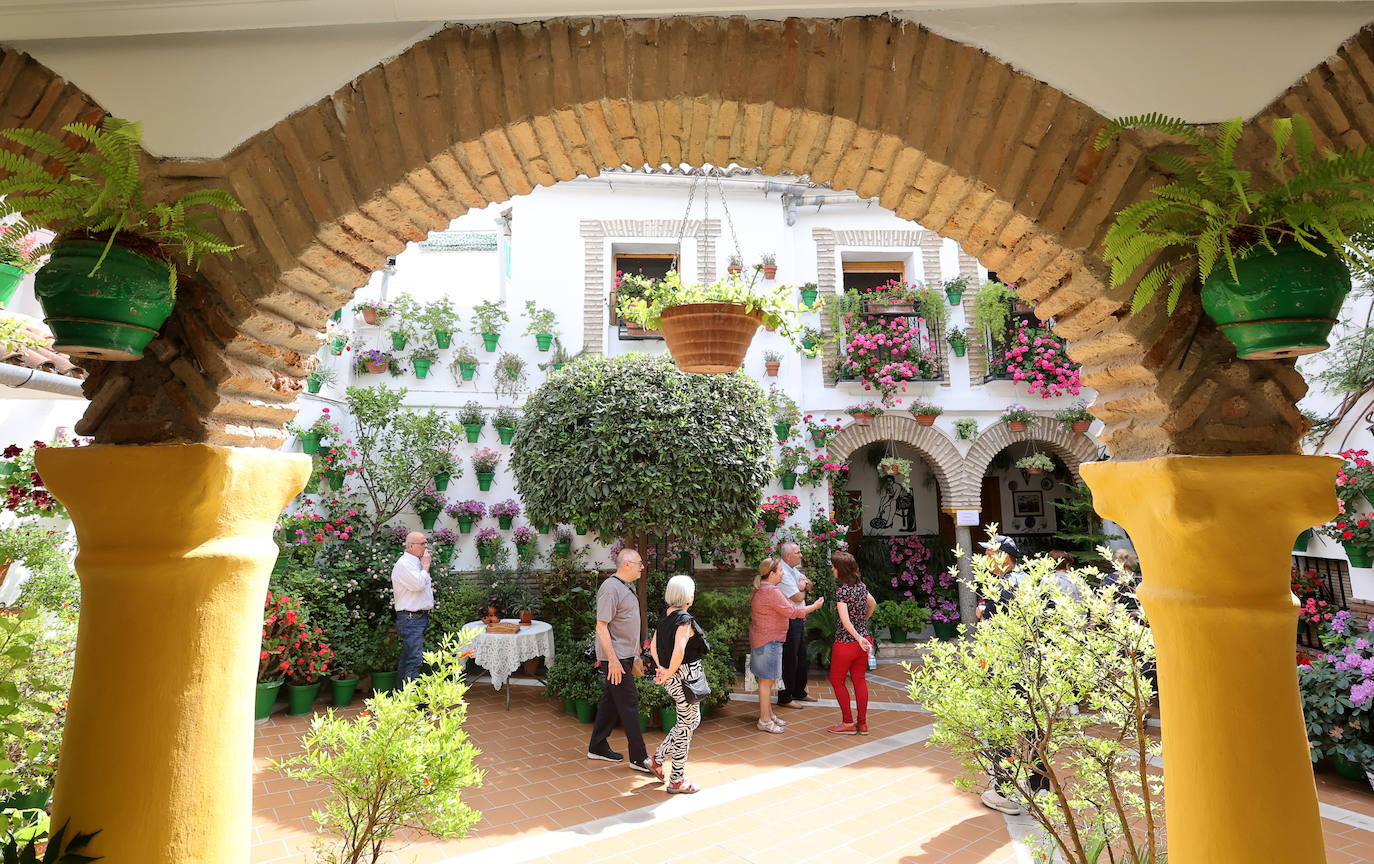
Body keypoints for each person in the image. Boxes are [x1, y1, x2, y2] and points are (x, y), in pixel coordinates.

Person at [973, 535, 1051, 817]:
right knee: (1033, 728)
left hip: (1006, 669)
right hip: (1031, 667)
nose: (985, 558)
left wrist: (983, 614)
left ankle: (1004, 791)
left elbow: (992, 627)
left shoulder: (1002, 587)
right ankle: (1040, 788)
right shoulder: (1031, 582)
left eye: (989, 553)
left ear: (1004, 557)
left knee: (1001, 729)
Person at [587, 548, 653, 773]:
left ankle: (597, 745)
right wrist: (613, 661)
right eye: (639, 563)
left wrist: (635, 655)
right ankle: (638, 757)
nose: (642, 567)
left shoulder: (626, 586)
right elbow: (601, 626)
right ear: (626, 564)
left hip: (625, 656)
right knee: (629, 702)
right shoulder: (610, 589)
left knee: (611, 700)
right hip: (614, 659)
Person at [751, 556, 824, 733]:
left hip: (765, 639)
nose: (783, 573)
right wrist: (814, 606)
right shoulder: (772, 591)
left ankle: (768, 715)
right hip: (768, 641)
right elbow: (792, 611)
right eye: (781, 570)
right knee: (766, 682)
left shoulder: (763, 588)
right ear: (773, 573)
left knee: (767, 680)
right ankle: (765, 720)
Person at [650, 574, 709, 794]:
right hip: (686, 678)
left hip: (673, 676)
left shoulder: (664, 617)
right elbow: (679, 650)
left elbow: (653, 647)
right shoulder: (684, 620)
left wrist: (662, 669)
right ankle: (677, 780)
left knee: (690, 721)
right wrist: (668, 672)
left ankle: (656, 759)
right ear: (687, 596)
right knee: (686, 726)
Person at [828, 551, 876, 735]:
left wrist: (857, 636)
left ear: (840, 569)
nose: (832, 569)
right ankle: (862, 724)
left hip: (846, 644)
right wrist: (863, 625)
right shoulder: (861, 587)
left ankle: (848, 722)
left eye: (834, 566)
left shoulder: (842, 592)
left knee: (837, 680)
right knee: (859, 680)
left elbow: (845, 621)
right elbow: (873, 604)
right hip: (864, 642)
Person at [776, 541, 815, 708]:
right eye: (798, 553)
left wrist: (802, 586)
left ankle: (799, 691)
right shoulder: (783, 572)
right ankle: (785, 697)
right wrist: (802, 588)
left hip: (798, 617)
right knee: (789, 658)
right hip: (789, 619)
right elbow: (798, 598)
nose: (801, 555)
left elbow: (810, 584)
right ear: (787, 556)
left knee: (801, 657)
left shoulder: (793, 569)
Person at [392, 531, 434, 686]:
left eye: (425, 542)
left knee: (408, 658)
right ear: (411, 546)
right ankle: (412, 703)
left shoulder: (416, 562)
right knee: (414, 660)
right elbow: (418, 585)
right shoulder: (404, 564)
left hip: (417, 618)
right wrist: (426, 566)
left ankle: (402, 699)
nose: (426, 546)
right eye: (422, 543)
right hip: (411, 618)